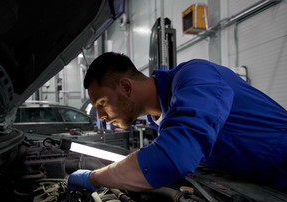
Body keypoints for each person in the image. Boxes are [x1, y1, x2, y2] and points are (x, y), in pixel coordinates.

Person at [67, 52, 287, 192]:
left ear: (125, 87)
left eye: (102, 103)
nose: (100, 116)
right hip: (266, 184)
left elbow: (173, 156)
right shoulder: (163, 120)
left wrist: (94, 178)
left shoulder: (197, 76)